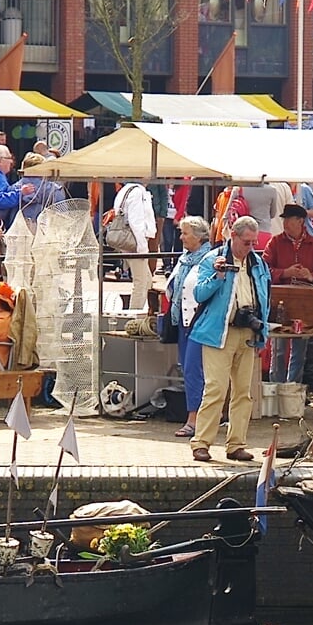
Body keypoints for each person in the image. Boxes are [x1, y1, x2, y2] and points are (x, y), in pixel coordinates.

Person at [185, 215, 270, 463]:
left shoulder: (258, 264)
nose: (250, 247)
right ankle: (201, 443)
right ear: (233, 236)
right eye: (246, 242)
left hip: (247, 333)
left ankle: (236, 444)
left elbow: (264, 298)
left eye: (254, 242)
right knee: (216, 389)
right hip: (217, 334)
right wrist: (218, 276)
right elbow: (199, 294)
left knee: (244, 393)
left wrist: (262, 331)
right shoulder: (212, 260)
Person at [261, 202, 313, 386]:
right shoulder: (275, 242)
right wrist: (285, 273)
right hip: (280, 301)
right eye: (284, 221)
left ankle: (293, 388)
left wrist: (311, 276)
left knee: (300, 346)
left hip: (305, 303)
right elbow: (264, 269)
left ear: (300, 221)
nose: (285, 224)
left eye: (289, 220)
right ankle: (276, 387)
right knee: (279, 346)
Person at [167, 215, 213, 437]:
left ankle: (194, 419)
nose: (181, 237)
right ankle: (200, 416)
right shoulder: (185, 258)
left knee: (194, 370)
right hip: (183, 322)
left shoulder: (210, 259)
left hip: (200, 323)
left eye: (185, 233)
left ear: (199, 236)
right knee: (188, 369)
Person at [112, 179, 157, 314]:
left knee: (147, 281)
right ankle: (133, 316)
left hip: (129, 242)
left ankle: (147, 312)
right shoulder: (137, 192)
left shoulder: (126, 190)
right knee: (141, 283)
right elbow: (136, 221)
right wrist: (142, 248)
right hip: (135, 243)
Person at [16, 152, 64, 223]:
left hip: (18, 228)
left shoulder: (15, 188)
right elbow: (61, 211)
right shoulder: (53, 189)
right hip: (44, 229)